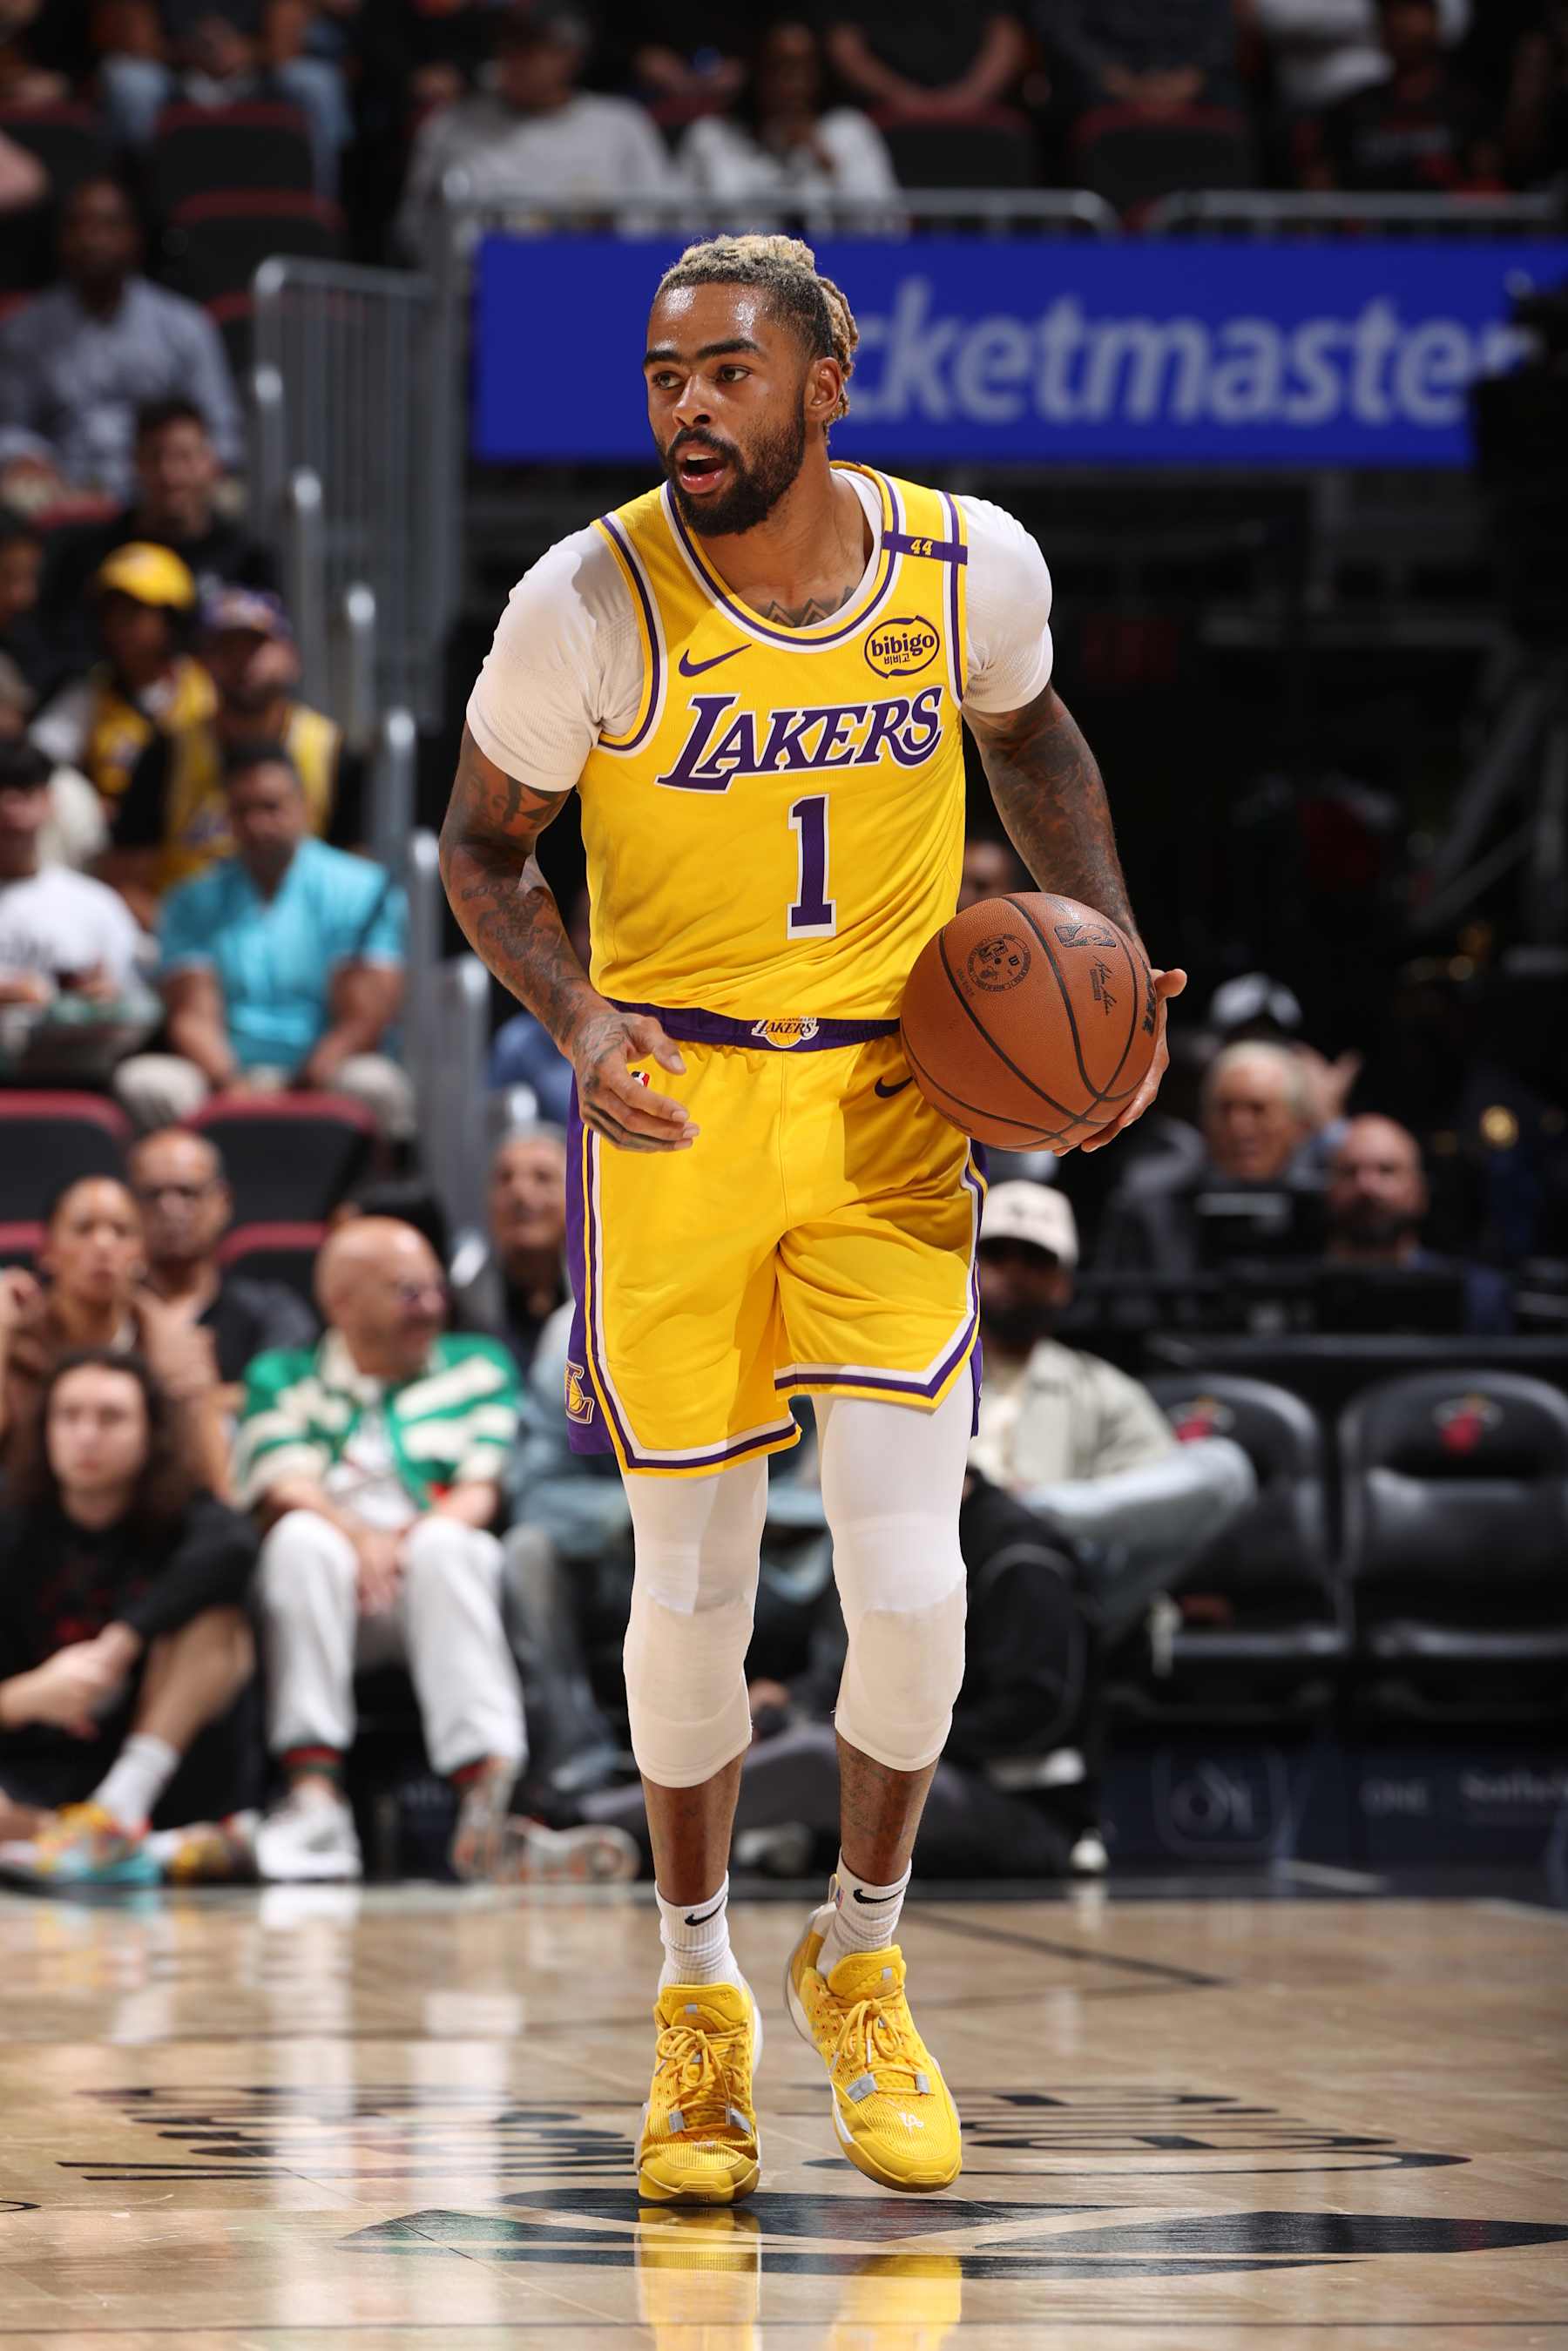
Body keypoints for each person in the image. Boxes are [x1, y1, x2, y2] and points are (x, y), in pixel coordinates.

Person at [441, 230, 1181, 2203]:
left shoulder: (967, 567)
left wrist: (1100, 951)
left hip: (891, 1099)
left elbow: (1029, 737)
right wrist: (577, 1014)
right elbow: (482, 850)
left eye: (727, 373)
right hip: (672, 1104)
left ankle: (858, 1950)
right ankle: (696, 2003)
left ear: (822, 383)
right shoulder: (582, 600)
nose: (688, 404)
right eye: (666, 373)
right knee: (686, 1588)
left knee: (916, 1588)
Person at [238, 1217, 632, 1885]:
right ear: (341, 1303)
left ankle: (490, 1805)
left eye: (431, 1288)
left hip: (435, 1579)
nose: (429, 1304)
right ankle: (314, 1804)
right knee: (300, 1541)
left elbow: (484, 1487)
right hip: (332, 1584)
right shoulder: (284, 1374)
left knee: (452, 1545)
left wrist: (404, 1542)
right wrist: (359, 1537)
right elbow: (283, 1484)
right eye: (403, 1290)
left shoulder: (477, 1363)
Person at [0, 1349, 257, 1883]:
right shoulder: (14, 1525)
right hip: (34, 1772)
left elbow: (237, 1542)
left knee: (219, 1625)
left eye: (110, 1418)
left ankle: (113, 1821)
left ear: (149, 1432)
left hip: (150, 1771)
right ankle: (123, 1849)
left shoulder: (184, 1517)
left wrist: (124, 1639)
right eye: (68, 1417)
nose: (86, 1436)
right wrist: (27, 1696)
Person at [116, 740, 413, 1139]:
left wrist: (302, 1088)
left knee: (374, 1085)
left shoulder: (362, 889)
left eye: (271, 807)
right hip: (224, 1075)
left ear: (304, 807)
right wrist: (233, 1087)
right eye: (243, 811)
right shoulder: (191, 899)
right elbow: (192, 1015)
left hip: (325, 1071)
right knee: (146, 1083)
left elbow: (364, 1017)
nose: (257, 824)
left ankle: (369, 1201)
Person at [104, 586, 364, 915]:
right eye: (226, 649)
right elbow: (126, 881)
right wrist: (186, 942)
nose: (242, 662)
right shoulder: (166, 751)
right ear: (204, 664)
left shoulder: (333, 751)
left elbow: (356, 876)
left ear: (291, 657)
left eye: (255, 646)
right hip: (187, 944)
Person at [0, 178, 244, 499]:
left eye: (108, 226)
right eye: (78, 226)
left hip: (164, 478)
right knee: (17, 493)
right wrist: (25, 456)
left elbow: (221, 429)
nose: (92, 239)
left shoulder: (185, 325)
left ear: (135, 238)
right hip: (64, 483)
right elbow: (10, 426)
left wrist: (193, 461)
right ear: (60, 240)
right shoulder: (25, 330)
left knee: (228, 497)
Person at [0, 1176, 231, 1493]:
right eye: (84, 1229)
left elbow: (212, 1482)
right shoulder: (15, 1337)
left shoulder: (174, 1347)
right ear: (48, 1252)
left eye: (122, 1231)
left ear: (141, 1255)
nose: (104, 1245)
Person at [395, 8, 676, 264]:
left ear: (572, 53)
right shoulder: (449, 127)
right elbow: (418, 232)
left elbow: (657, 226)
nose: (515, 56)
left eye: (533, 43)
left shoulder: (622, 126)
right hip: (480, 307)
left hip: (604, 297)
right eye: (509, 41)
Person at [39, 399, 279, 665]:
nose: (169, 474)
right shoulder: (92, 556)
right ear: (135, 464)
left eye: (184, 457)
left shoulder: (247, 560)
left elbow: (268, 657)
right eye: (155, 457)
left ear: (211, 463)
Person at [0, 737, 157, 1083]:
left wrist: (106, 1000)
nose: (9, 809)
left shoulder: (94, 903)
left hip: (73, 1075)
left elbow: (139, 1005)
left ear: (49, 801)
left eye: (24, 791)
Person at [128, 1125, 319, 1398]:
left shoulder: (271, 1311)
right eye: (152, 1194)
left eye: (188, 1193)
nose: (170, 1208)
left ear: (222, 1202)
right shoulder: (106, 1310)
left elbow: (283, 1401)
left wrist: (200, 1396)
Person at [1098, 1039, 1317, 1276]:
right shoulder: (1150, 1208)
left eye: (1258, 1109)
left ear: (1298, 1125)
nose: (1239, 1128)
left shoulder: (1327, 1205)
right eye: (1225, 1109)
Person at [30, 542, 215, 810]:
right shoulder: (92, 691)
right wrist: (90, 806)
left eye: (134, 612)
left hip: (192, 837)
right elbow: (36, 758)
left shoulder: (206, 687)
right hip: (115, 841)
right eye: (110, 612)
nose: (119, 624)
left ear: (171, 619)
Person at [678, 23, 900, 225]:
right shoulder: (711, 138)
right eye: (779, 68)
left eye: (804, 69)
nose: (793, 84)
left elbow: (888, 225)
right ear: (756, 72)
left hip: (835, 265)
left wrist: (827, 163)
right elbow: (674, 227)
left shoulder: (850, 132)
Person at [1323, 1112, 1512, 1334]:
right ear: (1328, 1191)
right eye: (1349, 1171)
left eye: (1386, 1170)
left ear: (1419, 1192)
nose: (1366, 1186)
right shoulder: (1290, 1291)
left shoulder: (1477, 1297)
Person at [1295, 0, 1491, 189]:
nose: (1398, 22)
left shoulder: (1468, 107)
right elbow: (1322, 187)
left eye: (1410, 9)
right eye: (1390, 12)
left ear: (1436, 20)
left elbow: (1486, 188)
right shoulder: (1352, 110)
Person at [821, 3, 1028, 121]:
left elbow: (1006, 37)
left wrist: (968, 98)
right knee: (845, 133)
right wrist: (899, 95)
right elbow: (844, 45)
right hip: (878, 108)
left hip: (976, 104)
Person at [474, 1126, 570, 1375]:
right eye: (505, 1178)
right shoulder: (460, 1304)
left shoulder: (604, 1304)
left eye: (543, 1177)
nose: (519, 1193)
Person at [1035, 0, 1241, 111]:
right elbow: (1064, 29)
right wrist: (1116, 79)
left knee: (1229, 100)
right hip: (1104, 79)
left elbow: (1221, 35)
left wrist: (1187, 81)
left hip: (1192, 81)